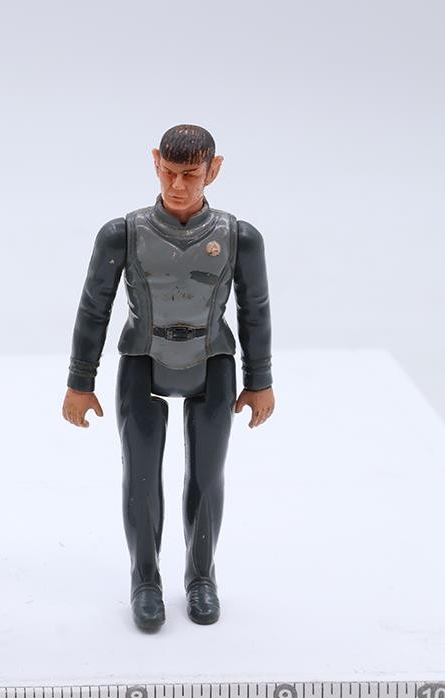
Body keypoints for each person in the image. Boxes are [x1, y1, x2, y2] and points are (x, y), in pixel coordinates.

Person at [62, 124, 274, 632]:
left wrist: (259, 379)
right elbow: (94, 308)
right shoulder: (123, 233)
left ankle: (201, 578)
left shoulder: (239, 237)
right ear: (155, 161)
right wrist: (80, 381)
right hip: (143, 357)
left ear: (213, 170)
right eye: (170, 172)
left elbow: (256, 310)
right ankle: (145, 581)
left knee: (207, 476)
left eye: (191, 174)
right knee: (139, 475)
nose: (178, 185)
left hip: (212, 359)